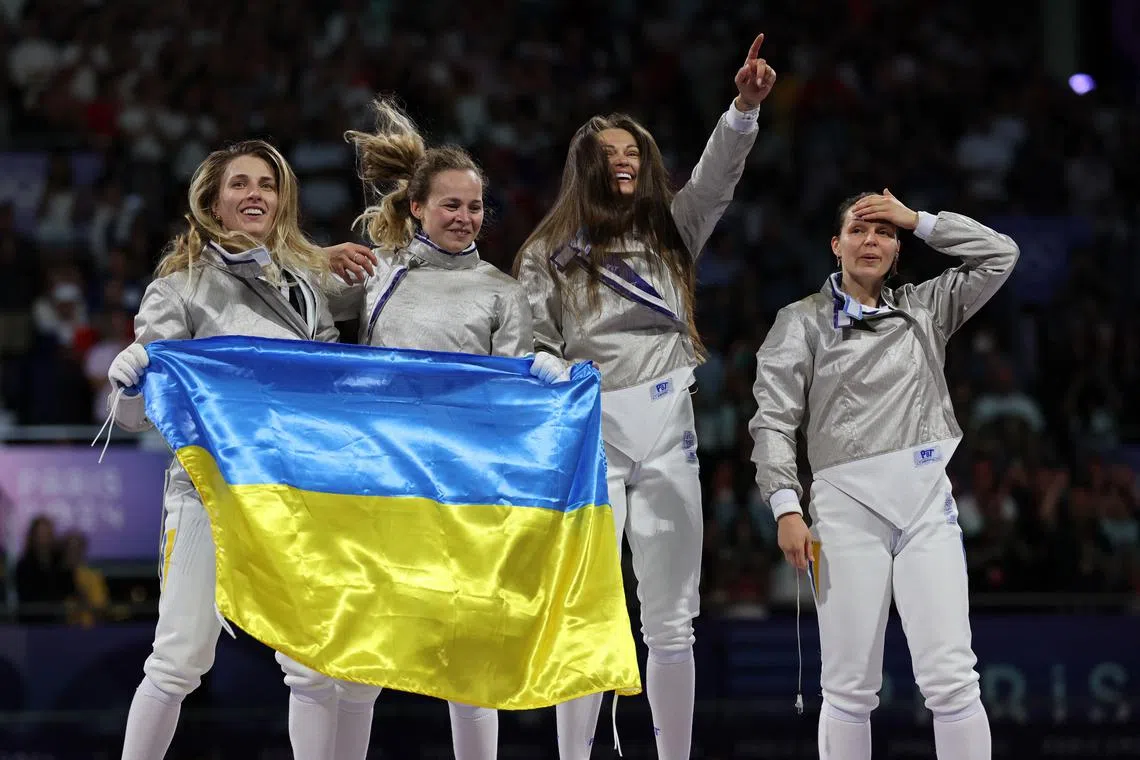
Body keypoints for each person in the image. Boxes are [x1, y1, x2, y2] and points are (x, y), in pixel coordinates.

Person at [513, 33, 776, 760]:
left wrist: (743, 109)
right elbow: (526, 339)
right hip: (590, 432)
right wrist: (550, 370)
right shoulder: (547, 250)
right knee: (586, 610)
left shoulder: (672, 232)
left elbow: (717, 180)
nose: (624, 162)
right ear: (586, 168)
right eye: (610, 155)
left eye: (633, 153)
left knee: (671, 620)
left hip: (667, 427)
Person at [104, 140, 380, 760]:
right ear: (213, 202)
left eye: (267, 184)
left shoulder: (308, 285)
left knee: (312, 664)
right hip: (210, 491)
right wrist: (123, 386)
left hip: (292, 490)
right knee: (178, 660)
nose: (255, 193)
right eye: (239, 184)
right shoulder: (179, 289)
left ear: (283, 202)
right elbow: (137, 414)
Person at [749, 189, 1019, 760]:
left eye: (884, 232)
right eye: (858, 229)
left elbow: (1001, 256)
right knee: (849, 688)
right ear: (835, 245)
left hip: (927, 508)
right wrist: (785, 506)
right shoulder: (800, 323)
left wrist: (920, 220)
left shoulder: (926, 309)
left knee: (952, 680)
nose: (871, 240)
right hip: (846, 513)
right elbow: (773, 420)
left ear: (897, 248)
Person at [326, 97, 551, 760]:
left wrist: (548, 368)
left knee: (470, 656)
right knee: (361, 657)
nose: (465, 218)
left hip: (463, 488)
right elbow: (292, 311)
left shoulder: (501, 292)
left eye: (475, 206)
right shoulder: (377, 273)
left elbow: (514, 390)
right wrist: (317, 259)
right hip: (380, 482)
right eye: (451, 205)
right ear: (418, 207)